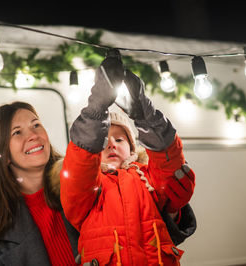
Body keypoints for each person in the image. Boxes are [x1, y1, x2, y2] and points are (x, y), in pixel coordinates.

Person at [60, 49, 196, 265]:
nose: (112, 143)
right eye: (104, 140)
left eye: (120, 139)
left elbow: (169, 165)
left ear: (133, 150)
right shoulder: (89, 188)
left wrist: (147, 117)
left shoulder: (148, 180)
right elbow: (79, 169)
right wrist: (96, 110)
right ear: (96, 150)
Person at [0, 101, 80, 265]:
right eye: (17, 132)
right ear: (3, 154)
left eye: (36, 125)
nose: (33, 135)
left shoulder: (81, 185)